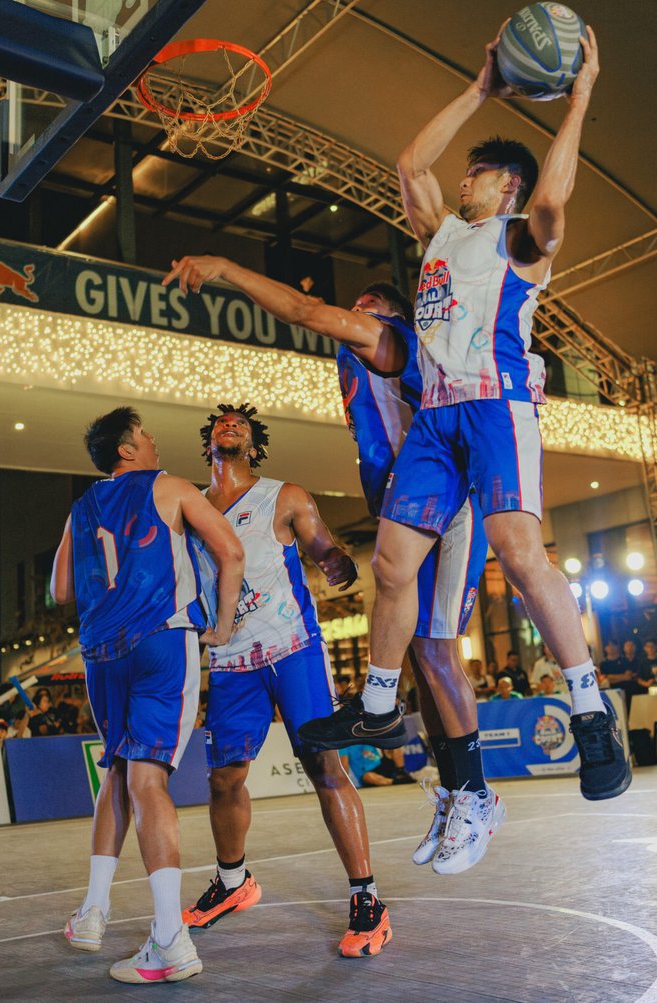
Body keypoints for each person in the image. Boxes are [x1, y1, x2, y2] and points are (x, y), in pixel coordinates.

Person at [293, 22, 627, 817]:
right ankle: (378, 699)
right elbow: (410, 163)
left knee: (518, 551)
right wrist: (481, 85)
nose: (464, 180)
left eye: (477, 175)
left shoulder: (521, 241)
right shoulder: (441, 234)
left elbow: (554, 196)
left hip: (496, 405)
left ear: (502, 187)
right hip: (438, 420)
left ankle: (589, 708)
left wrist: (579, 95)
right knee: (392, 563)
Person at [161, 258, 490, 874]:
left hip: (441, 507)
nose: (356, 317)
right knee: (418, 653)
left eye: (368, 308)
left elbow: (305, 311)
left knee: (436, 652)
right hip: (247, 640)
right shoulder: (192, 502)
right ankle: (450, 792)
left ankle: (472, 794)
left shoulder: (391, 343)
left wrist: (227, 269)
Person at [179, 404, 392, 955]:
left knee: (324, 766)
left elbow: (320, 544)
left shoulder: (284, 495)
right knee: (224, 779)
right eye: (221, 422)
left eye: (241, 425)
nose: (230, 425)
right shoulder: (190, 508)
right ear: (209, 444)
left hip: (291, 648)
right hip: (229, 660)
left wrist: (335, 560)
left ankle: (367, 898)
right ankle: (233, 883)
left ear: (252, 446)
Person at [52, 406, 243, 984]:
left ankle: (93, 912)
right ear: (127, 450)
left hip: (102, 653)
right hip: (161, 640)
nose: (154, 443)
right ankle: (169, 937)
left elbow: (61, 589)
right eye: (146, 436)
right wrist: (224, 624)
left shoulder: (80, 507)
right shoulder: (172, 487)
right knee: (147, 779)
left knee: (116, 772)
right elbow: (230, 551)